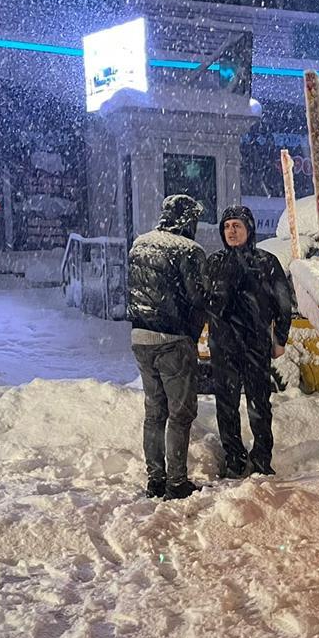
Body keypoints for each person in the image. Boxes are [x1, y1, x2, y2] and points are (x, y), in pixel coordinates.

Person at [126, 194, 212, 501]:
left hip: (140, 337)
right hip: (173, 339)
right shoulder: (188, 250)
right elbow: (199, 299)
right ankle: (177, 483)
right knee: (180, 413)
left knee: (154, 412)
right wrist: (189, 332)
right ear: (189, 220)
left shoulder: (140, 244)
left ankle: (155, 480)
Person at [206, 205, 293, 477]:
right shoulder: (214, 263)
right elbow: (202, 301)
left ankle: (262, 459)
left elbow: (284, 304)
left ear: (249, 229)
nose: (231, 231)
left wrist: (280, 339)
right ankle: (233, 458)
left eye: (237, 226)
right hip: (223, 347)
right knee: (227, 406)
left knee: (260, 404)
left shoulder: (267, 262)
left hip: (256, 345)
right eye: (227, 226)